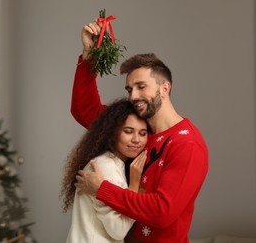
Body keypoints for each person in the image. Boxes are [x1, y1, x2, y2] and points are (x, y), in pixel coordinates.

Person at [71, 19, 209, 242]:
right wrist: (89, 56)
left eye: (141, 87)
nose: (133, 96)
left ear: (165, 88)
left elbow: (162, 211)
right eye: (129, 89)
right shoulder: (135, 130)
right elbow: (83, 109)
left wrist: (101, 189)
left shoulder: (187, 144)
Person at [61, 98, 148, 243]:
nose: (136, 140)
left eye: (143, 133)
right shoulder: (106, 167)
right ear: (112, 133)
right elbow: (118, 230)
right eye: (128, 131)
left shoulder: (110, 163)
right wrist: (134, 186)